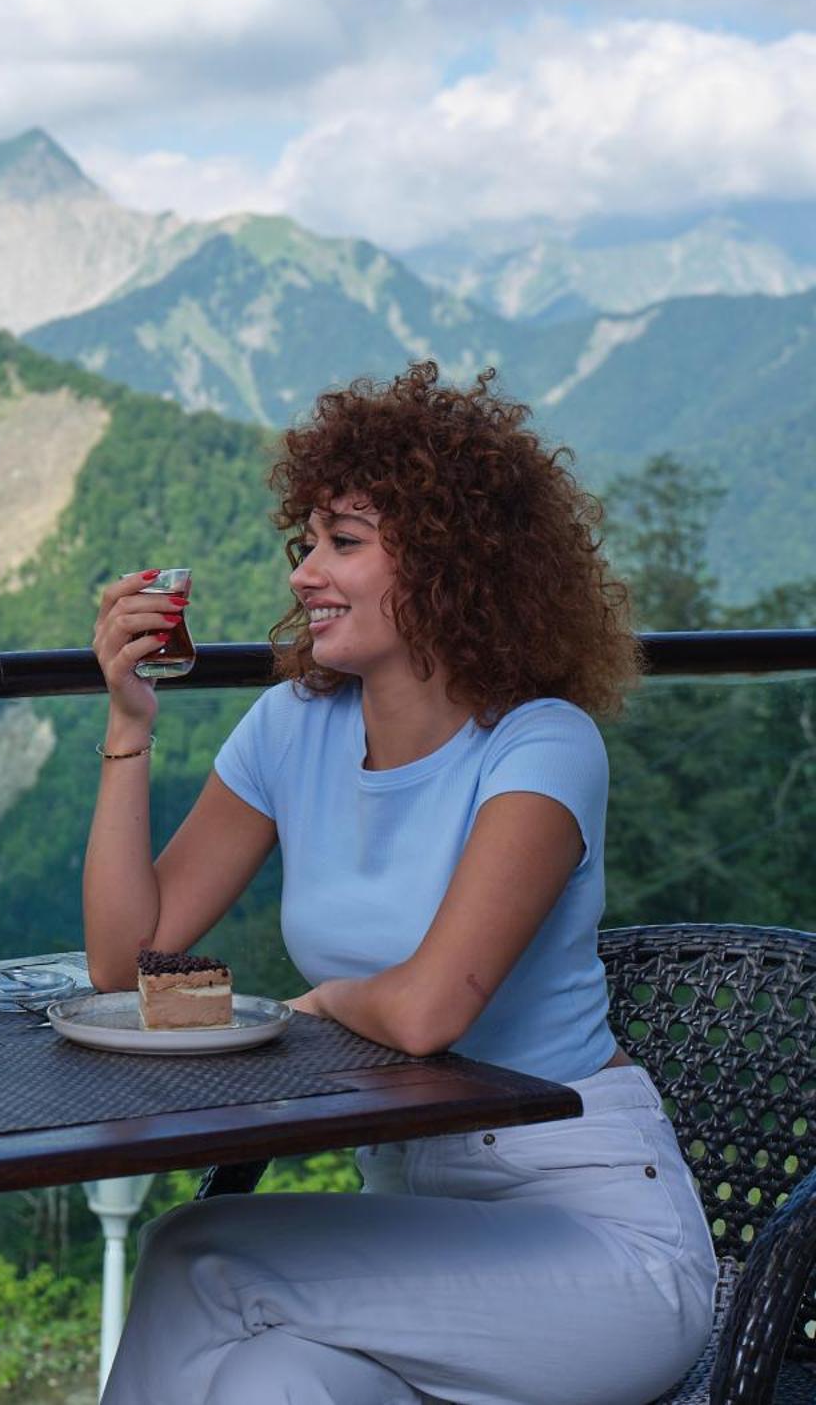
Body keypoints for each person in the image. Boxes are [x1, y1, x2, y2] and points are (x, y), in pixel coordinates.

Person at [82, 364, 717, 1404]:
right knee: (265, 1380)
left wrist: (326, 1004)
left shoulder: (539, 746)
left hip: (593, 1241)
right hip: (418, 1232)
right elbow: (124, 960)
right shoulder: (295, 725)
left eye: (343, 542)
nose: (301, 574)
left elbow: (428, 1010)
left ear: (445, 563)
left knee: (199, 1255)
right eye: (307, 543)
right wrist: (125, 728)